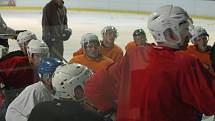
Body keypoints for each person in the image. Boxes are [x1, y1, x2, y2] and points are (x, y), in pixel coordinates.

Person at [84, 4, 215, 121]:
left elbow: (92, 87)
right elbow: (211, 103)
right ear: (170, 32)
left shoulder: (134, 55)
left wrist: (111, 112)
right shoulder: (185, 63)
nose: (189, 35)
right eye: (185, 29)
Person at [27, 63, 103, 121]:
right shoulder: (88, 116)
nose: (89, 87)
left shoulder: (39, 109)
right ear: (75, 91)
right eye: (85, 83)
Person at [0, 39, 49, 121]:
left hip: (19, 91)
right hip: (8, 90)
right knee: (4, 112)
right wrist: (2, 90)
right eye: (38, 55)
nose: (41, 59)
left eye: (44, 55)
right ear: (30, 55)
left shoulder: (47, 67)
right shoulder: (17, 62)